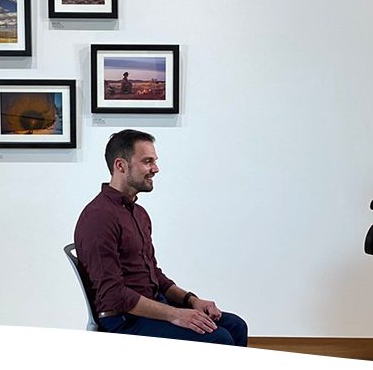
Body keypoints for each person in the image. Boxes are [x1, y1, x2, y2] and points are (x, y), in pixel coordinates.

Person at [74, 129, 248, 346]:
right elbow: (113, 295)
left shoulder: (139, 214)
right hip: (122, 320)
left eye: (154, 161)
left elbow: (154, 275)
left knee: (236, 326)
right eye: (147, 161)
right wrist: (175, 314)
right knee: (218, 338)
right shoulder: (98, 217)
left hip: (152, 306)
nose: (155, 169)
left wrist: (191, 300)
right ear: (121, 166)